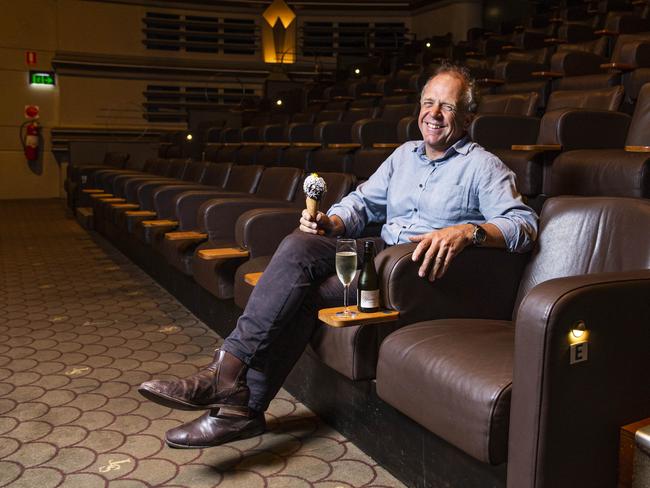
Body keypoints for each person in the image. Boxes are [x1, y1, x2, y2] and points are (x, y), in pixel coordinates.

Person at [138, 64, 538, 449]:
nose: (433, 114)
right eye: (428, 103)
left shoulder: (483, 167)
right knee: (300, 243)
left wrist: (467, 232)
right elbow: (362, 202)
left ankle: (233, 399)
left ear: (466, 117)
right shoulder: (404, 156)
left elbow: (524, 224)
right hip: (376, 255)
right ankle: (230, 380)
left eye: (447, 106)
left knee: (306, 294)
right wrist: (333, 221)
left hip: (414, 274)